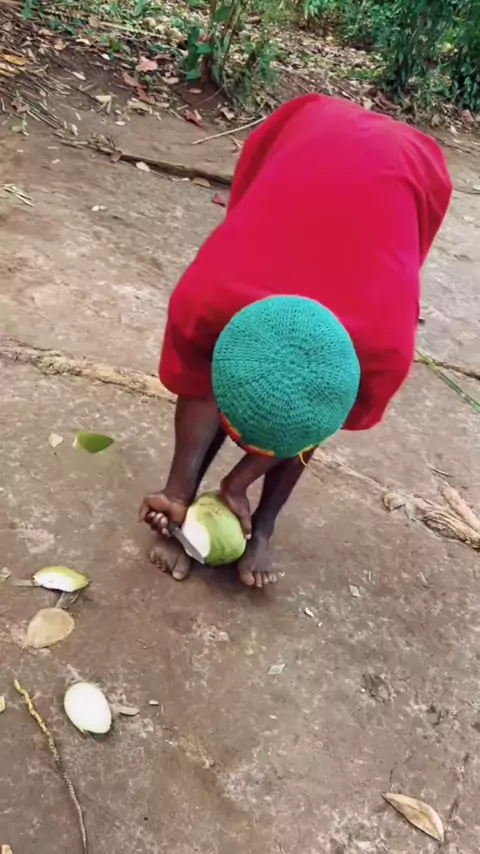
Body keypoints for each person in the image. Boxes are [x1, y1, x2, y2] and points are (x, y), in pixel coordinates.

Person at [139, 94, 452, 588]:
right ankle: (184, 497)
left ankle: (263, 526)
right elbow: (198, 380)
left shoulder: (379, 353)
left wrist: (239, 483)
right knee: (224, 366)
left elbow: (317, 418)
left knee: (308, 404)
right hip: (311, 129)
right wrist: (178, 490)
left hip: (409, 165)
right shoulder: (209, 297)